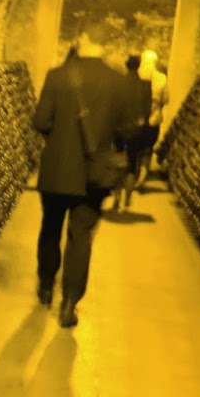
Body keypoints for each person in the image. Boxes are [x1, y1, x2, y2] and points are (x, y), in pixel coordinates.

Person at [32, 19, 140, 327]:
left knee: (51, 228)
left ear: (82, 38)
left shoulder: (57, 75)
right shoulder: (118, 82)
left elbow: (41, 122)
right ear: (106, 45)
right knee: (81, 237)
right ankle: (69, 303)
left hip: (57, 170)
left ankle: (45, 286)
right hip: (94, 174)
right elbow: (128, 129)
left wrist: (59, 138)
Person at [110, 54, 153, 212]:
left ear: (126, 65)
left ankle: (117, 197)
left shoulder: (117, 83)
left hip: (118, 129)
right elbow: (148, 109)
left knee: (118, 162)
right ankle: (128, 196)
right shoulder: (145, 86)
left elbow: (112, 106)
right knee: (131, 164)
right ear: (139, 66)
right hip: (136, 130)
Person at [138, 49, 169, 183]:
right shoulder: (161, 78)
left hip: (136, 118)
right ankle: (144, 173)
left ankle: (133, 173)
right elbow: (166, 99)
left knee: (134, 146)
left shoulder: (136, 75)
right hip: (153, 119)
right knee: (147, 148)